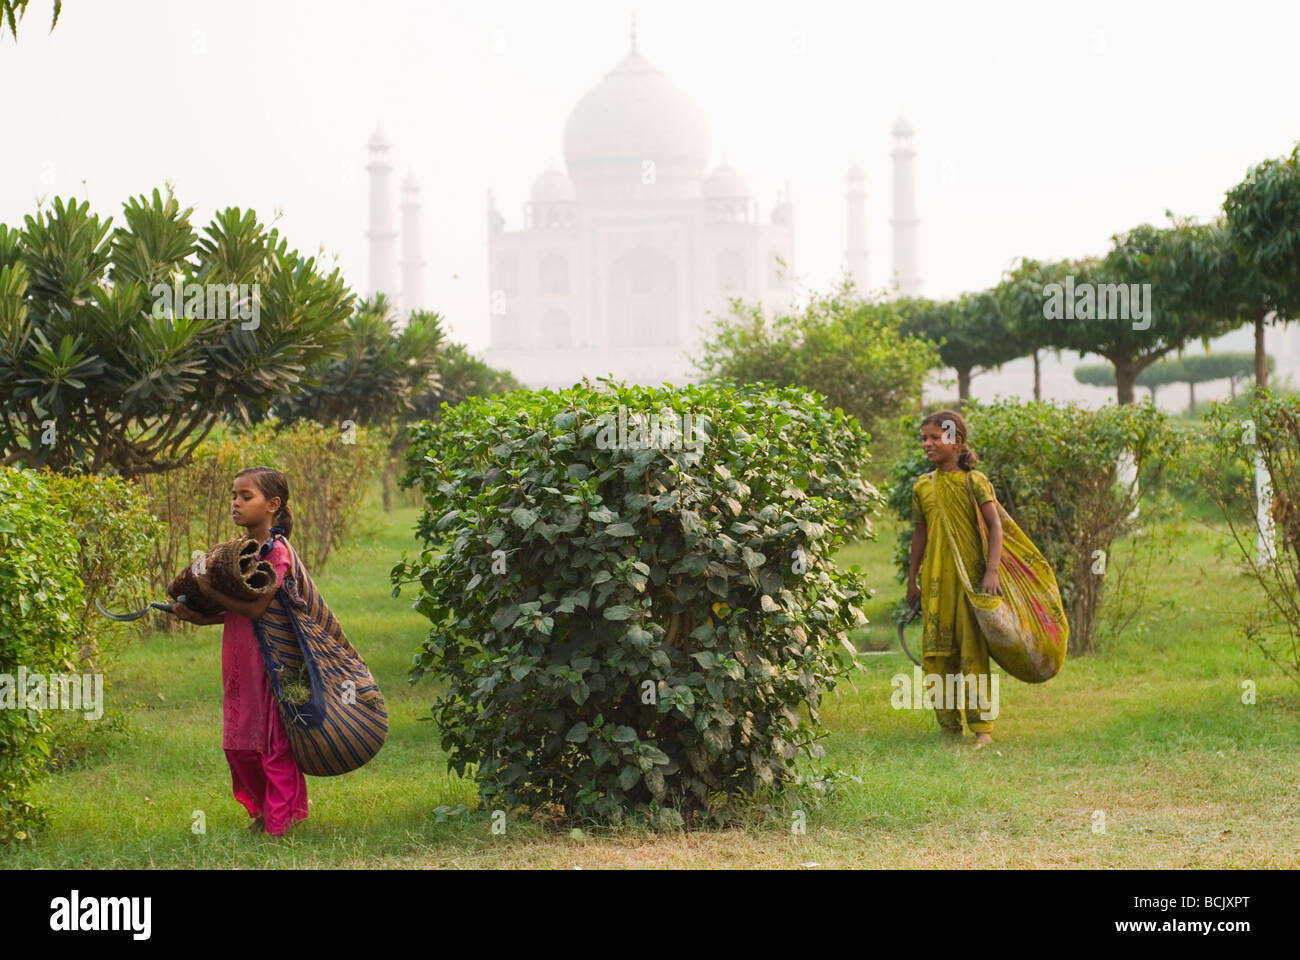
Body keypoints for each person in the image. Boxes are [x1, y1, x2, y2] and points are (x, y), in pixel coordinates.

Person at [171, 466, 309, 835]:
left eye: (246, 497)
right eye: (233, 495)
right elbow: (237, 612)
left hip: (269, 661)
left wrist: (209, 589)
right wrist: (201, 618)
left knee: (271, 743)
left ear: (272, 505)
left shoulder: (277, 553)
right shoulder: (241, 553)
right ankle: (263, 812)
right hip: (237, 657)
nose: (235, 503)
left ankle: (280, 825)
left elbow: (256, 609)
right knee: (239, 744)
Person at [906, 411, 1002, 749]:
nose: (927, 444)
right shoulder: (922, 485)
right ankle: (948, 728)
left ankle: (983, 730)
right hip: (934, 581)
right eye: (924, 438)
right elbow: (920, 534)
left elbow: (995, 526)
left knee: (972, 654)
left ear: (956, 440)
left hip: (970, 581)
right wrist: (912, 579)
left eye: (935, 437)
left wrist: (991, 571)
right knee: (935, 654)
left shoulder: (973, 482)